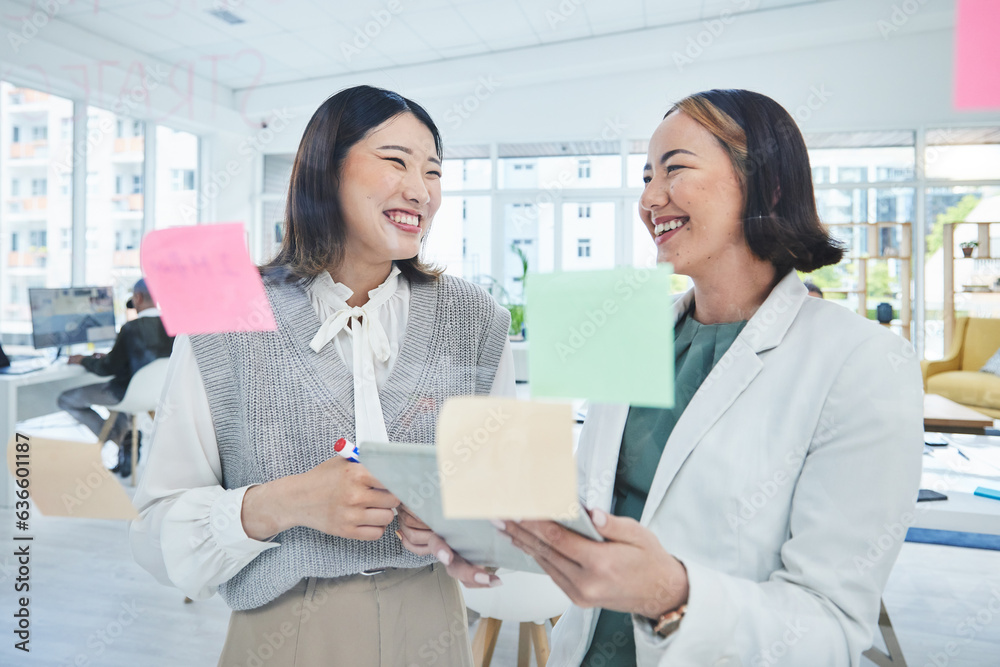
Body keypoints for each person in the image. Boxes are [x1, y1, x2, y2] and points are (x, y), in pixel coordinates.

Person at [434, 89, 924, 666]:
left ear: (766, 187)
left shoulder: (862, 361)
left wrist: (672, 596)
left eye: (676, 170)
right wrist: (473, 535)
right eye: (645, 176)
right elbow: (584, 509)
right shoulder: (634, 330)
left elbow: (831, 629)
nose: (648, 198)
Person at [130, 86, 513, 667]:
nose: (421, 190)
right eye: (395, 161)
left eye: (433, 171)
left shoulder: (477, 319)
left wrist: (458, 524)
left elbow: (506, 506)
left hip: (432, 620)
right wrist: (280, 503)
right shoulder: (225, 313)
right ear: (324, 170)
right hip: (282, 628)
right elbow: (154, 536)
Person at [58, 278, 174, 477]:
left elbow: (107, 368)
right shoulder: (173, 325)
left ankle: (120, 439)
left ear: (137, 297)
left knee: (66, 399)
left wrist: (83, 360)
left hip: (125, 394)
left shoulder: (131, 328)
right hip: (158, 395)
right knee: (118, 408)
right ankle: (127, 437)